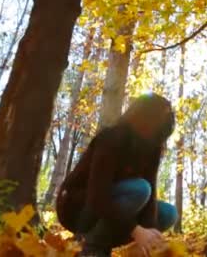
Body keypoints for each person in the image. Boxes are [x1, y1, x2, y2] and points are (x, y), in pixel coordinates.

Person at [56, 93, 178, 257]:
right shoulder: (112, 139)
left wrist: (149, 236)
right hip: (77, 208)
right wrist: (135, 230)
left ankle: (103, 241)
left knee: (168, 213)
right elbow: (97, 198)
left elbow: (151, 196)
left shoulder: (153, 148)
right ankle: (90, 246)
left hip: (116, 204)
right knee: (140, 190)